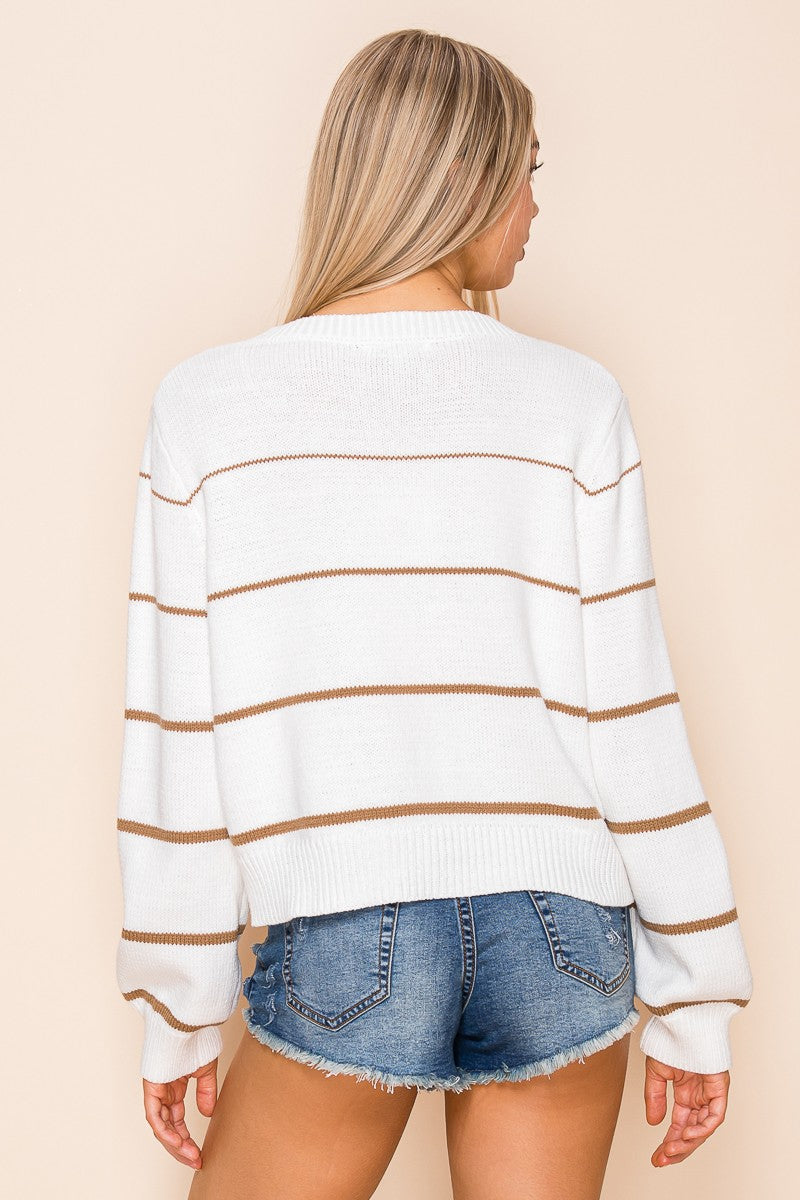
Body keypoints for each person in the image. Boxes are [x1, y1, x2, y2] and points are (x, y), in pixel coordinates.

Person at [114, 28, 753, 1200]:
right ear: (458, 177)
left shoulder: (205, 407)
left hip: (343, 919)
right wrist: (695, 993)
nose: (533, 207)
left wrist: (178, 1004)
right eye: (523, 171)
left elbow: (177, 737)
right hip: (563, 929)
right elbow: (631, 715)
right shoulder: (572, 400)